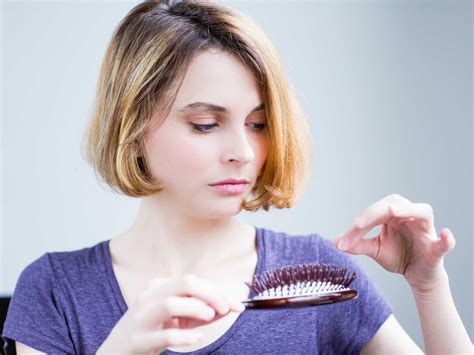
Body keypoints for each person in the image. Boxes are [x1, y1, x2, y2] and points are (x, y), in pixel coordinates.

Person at [2, 1, 471, 354]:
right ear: (132, 124)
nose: (244, 153)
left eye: (259, 124)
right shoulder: (55, 290)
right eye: (206, 124)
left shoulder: (319, 279)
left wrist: (428, 286)